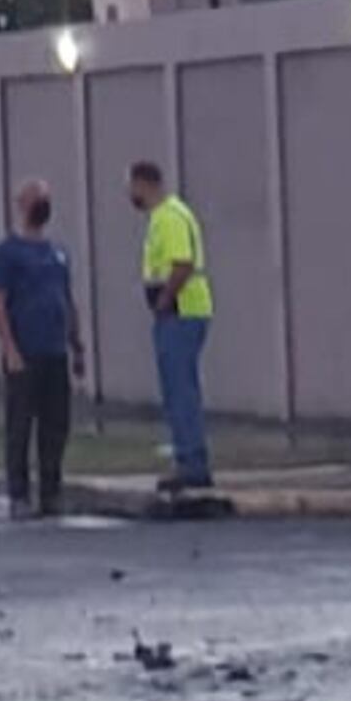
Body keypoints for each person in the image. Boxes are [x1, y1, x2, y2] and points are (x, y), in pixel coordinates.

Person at [0, 178, 84, 518]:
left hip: (55, 350)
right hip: (25, 351)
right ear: (22, 204)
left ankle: (51, 491)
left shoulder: (57, 253)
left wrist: (77, 344)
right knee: (20, 424)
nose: (43, 201)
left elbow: (67, 299)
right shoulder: (6, 253)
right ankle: (18, 494)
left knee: (55, 425)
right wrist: (10, 349)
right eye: (37, 196)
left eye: (47, 196)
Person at [128, 158, 215, 497]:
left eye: (132, 186)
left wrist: (165, 300)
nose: (130, 194)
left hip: (182, 311)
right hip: (175, 312)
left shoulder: (169, 217)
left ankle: (192, 464)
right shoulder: (162, 217)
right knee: (176, 388)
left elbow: (182, 264)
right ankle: (187, 458)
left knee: (181, 390)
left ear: (144, 184)